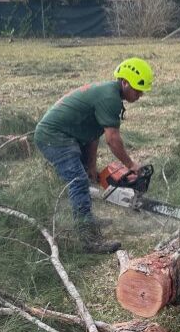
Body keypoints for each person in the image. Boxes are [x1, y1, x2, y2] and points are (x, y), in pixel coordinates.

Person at [34, 57, 153, 254]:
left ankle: (86, 218)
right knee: (78, 181)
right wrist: (131, 164)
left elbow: (93, 135)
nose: (140, 95)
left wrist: (91, 165)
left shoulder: (110, 94)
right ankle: (88, 239)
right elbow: (112, 139)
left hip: (71, 136)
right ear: (124, 82)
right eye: (137, 89)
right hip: (54, 136)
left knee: (84, 177)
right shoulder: (110, 98)